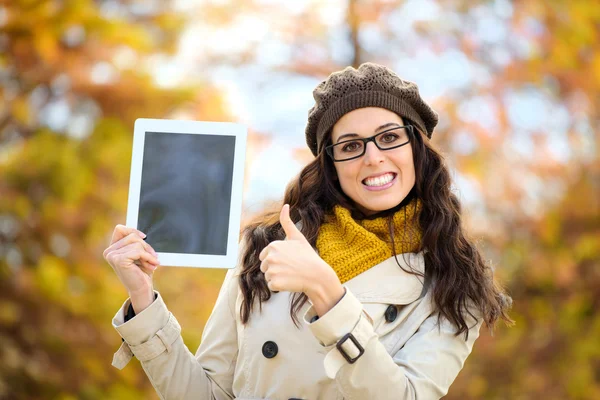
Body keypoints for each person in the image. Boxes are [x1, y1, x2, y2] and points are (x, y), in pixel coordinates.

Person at [104, 62, 513, 400]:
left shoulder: (455, 284)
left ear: (415, 148)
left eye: (389, 138)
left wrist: (328, 294)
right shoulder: (264, 246)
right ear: (331, 164)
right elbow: (207, 395)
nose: (372, 157)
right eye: (351, 145)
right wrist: (143, 300)